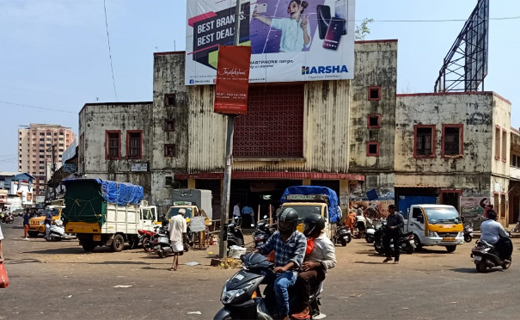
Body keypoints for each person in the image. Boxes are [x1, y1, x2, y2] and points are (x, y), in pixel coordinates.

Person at [257, 208, 306, 320]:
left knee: (280, 285)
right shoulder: (276, 235)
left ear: (293, 224)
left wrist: (285, 268)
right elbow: (265, 248)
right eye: (281, 222)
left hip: (291, 272)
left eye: (286, 223)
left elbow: (298, 258)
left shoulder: (300, 238)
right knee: (253, 277)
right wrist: (250, 254)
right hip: (276, 270)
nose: (282, 225)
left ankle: (284, 314)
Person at [291, 214, 336, 320]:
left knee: (302, 277)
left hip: (318, 271)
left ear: (315, 227)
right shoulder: (306, 238)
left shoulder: (325, 243)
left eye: (307, 226)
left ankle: (304, 308)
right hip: (304, 266)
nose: (305, 228)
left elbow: (333, 262)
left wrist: (315, 264)